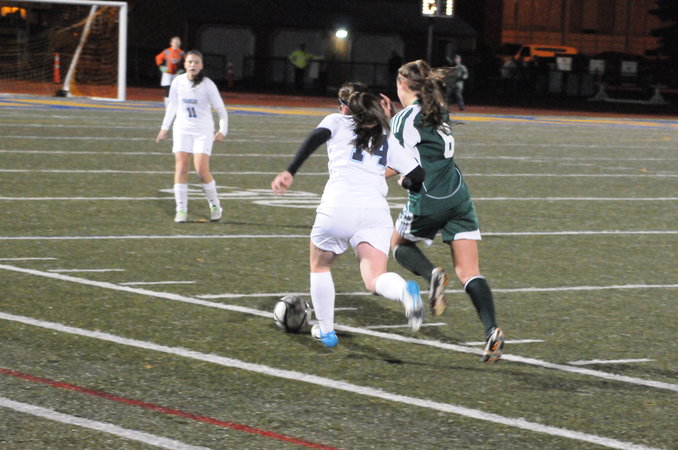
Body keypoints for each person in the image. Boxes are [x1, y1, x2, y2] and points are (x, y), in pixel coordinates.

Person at [271, 82, 426, 348]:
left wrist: (290, 171)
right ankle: (404, 292)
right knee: (374, 278)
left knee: (320, 266)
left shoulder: (337, 121)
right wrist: (406, 182)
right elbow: (418, 175)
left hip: (339, 206)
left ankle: (326, 331)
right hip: (375, 212)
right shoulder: (385, 135)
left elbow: (315, 137)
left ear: (345, 107)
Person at [388, 59, 504, 362]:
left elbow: (396, 162)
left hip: (429, 199)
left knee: (398, 246)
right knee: (469, 272)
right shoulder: (438, 108)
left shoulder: (404, 119)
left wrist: (364, 174)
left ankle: (432, 275)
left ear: (402, 84)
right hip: (458, 196)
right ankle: (491, 330)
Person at [156, 50, 227, 224]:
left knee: (201, 170)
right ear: (185, 64)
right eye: (189, 62)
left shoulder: (208, 85)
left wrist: (222, 130)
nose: (192, 65)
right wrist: (164, 128)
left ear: (201, 65)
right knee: (181, 168)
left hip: (203, 131)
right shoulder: (177, 82)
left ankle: (215, 205)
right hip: (182, 129)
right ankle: (181, 209)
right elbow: (172, 106)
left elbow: (221, 110)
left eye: (196, 62)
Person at [156, 36, 186, 106]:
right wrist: (162, 68)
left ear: (180, 44)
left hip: (176, 73)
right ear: (171, 43)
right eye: (174, 42)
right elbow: (158, 58)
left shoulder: (181, 53)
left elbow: (186, 61)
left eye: (177, 43)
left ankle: (176, 104)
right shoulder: (167, 51)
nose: (175, 44)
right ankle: (167, 106)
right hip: (167, 73)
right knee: (168, 89)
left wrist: (182, 70)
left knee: (177, 89)